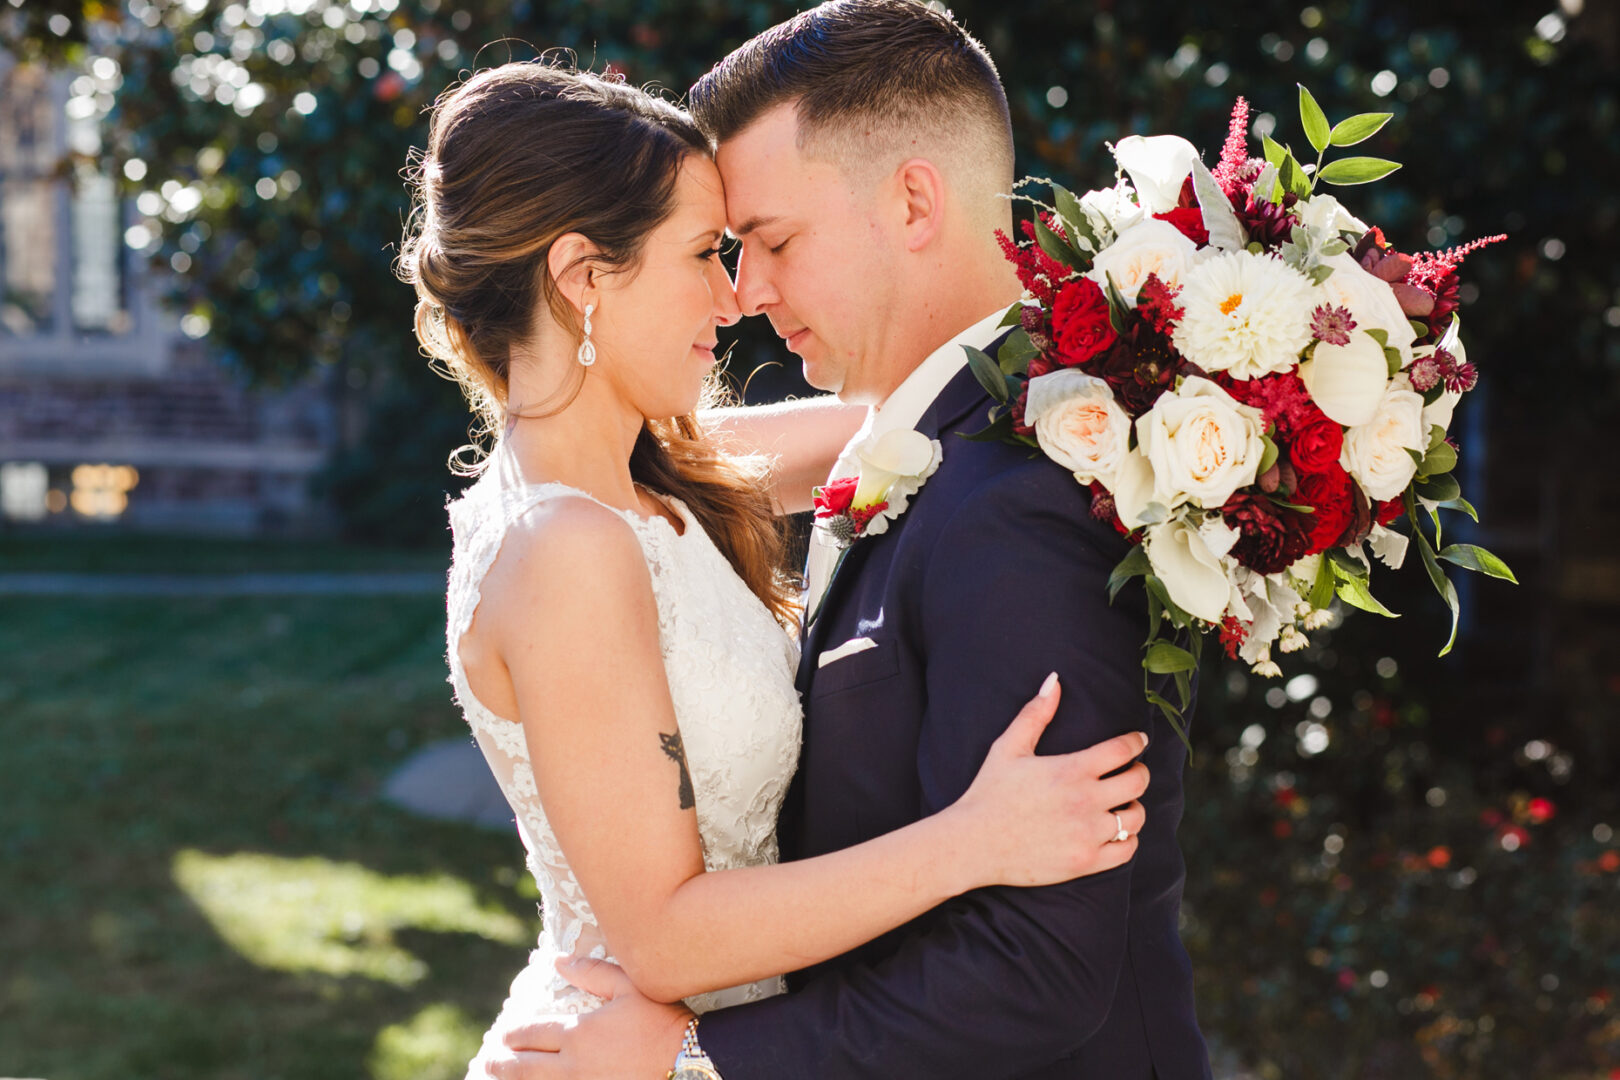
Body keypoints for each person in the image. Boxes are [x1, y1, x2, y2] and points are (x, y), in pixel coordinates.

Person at [485, 2, 1213, 1078]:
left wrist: (694, 1061)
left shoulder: (1026, 495)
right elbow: (618, 443)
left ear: (914, 200)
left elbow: (1036, 965)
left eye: (773, 241)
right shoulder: (922, 434)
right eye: (727, 253)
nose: (747, 292)